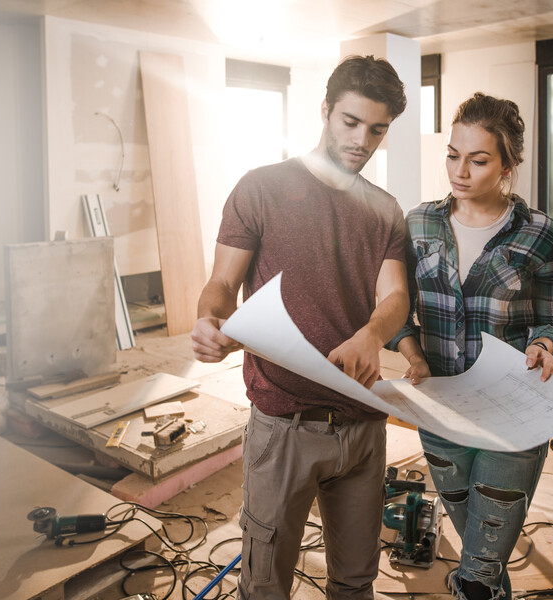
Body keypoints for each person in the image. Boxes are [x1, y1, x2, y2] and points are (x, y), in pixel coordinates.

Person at [190, 55, 410, 600]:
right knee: (265, 586)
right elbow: (221, 282)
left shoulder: (384, 210)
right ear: (326, 111)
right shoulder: (261, 188)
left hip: (363, 427)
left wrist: (372, 334)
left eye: (377, 129)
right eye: (351, 122)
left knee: (355, 583)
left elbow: (396, 296)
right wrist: (209, 320)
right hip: (283, 424)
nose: (363, 140)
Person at [390, 92, 553, 600]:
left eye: (478, 159)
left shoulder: (541, 234)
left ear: (508, 164)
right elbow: (399, 312)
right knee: (477, 545)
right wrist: (412, 352)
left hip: (513, 410)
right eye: (452, 154)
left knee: (479, 567)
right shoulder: (418, 223)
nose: (459, 171)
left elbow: (549, 321)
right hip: (443, 409)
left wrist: (547, 347)